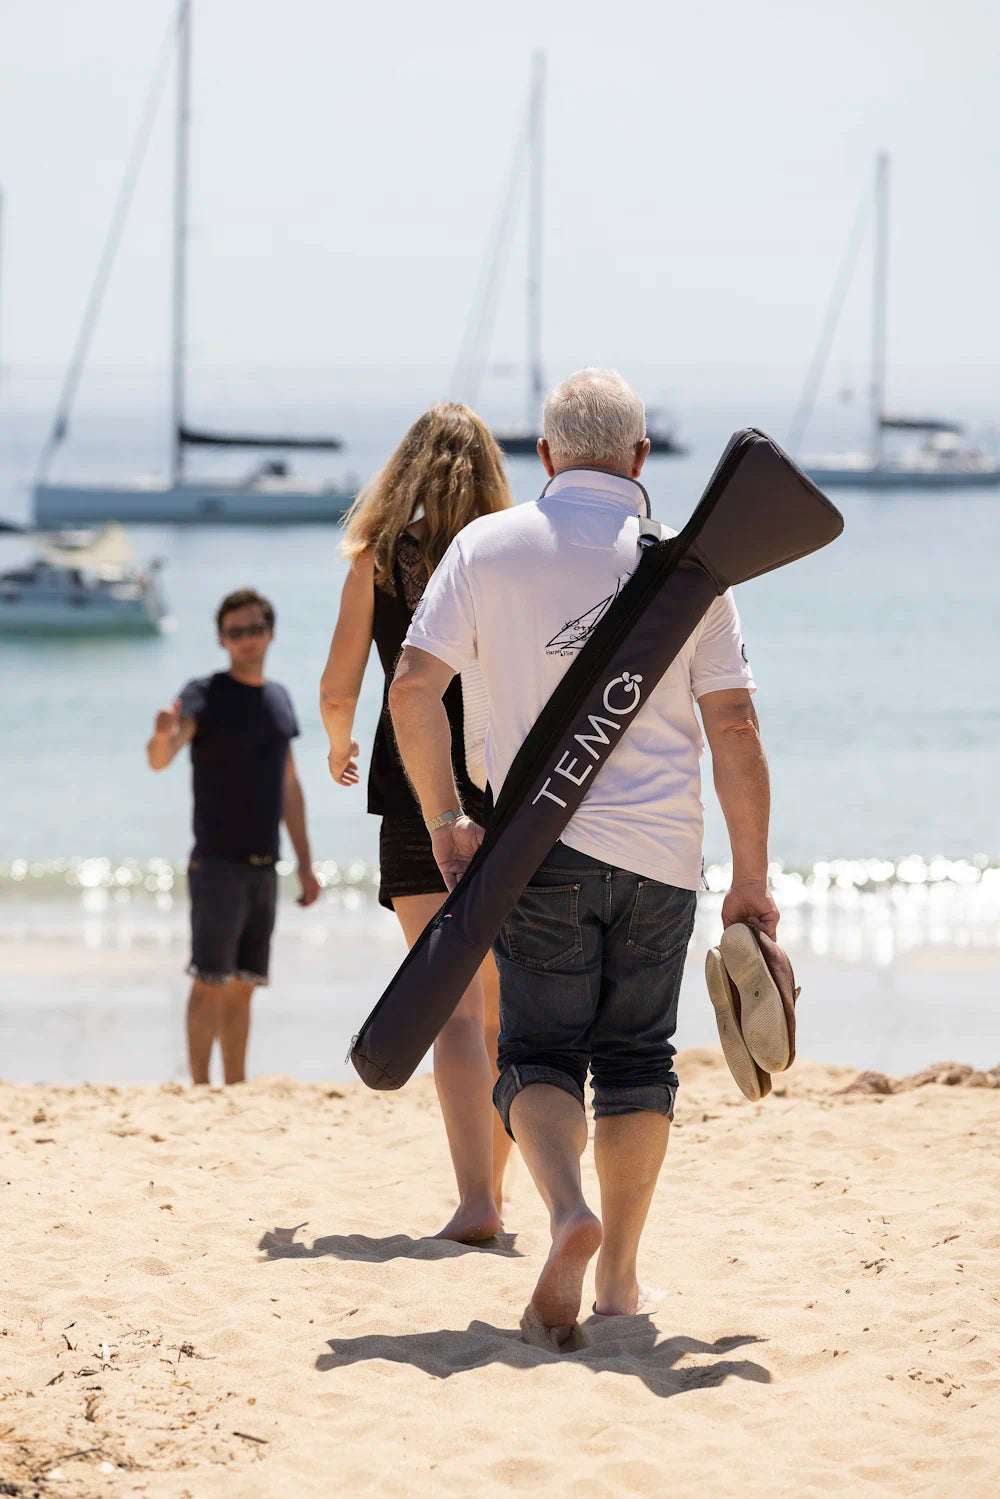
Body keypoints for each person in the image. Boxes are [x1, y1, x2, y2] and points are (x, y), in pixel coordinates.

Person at [388, 369, 779, 1338]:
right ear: (640, 457)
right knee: (638, 1059)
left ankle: (567, 1210)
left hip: (535, 851)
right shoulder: (691, 569)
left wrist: (444, 818)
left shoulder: (486, 546)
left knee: (537, 1051)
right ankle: (620, 1280)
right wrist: (751, 880)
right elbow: (734, 728)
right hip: (661, 858)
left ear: (545, 455)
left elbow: (411, 688)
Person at [320, 402, 514, 1243]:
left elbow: (339, 686)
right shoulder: (509, 554)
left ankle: (477, 1202)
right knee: (503, 1010)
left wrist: (337, 744)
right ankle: (496, 1190)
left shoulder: (377, 560)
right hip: (506, 789)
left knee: (452, 1009)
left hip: (413, 792)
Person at [146, 588, 320, 1086]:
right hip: (217, 864)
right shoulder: (205, 693)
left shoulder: (279, 699)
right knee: (209, 979)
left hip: (265, 866)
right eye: (235, 632)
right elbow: (162, 757)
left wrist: (305, 865)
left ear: (270, 632)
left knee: (244, 984)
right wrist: (161, 734)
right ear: (222, 639)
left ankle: (236, 1088)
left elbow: (290, 788)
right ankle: (201, 1088)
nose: (247, 639)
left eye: (254, 629)